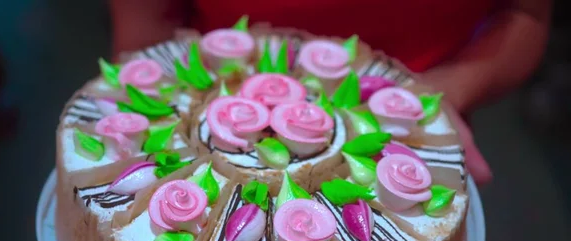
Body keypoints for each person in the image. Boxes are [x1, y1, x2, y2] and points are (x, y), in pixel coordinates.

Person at [108, 0, 552, 186]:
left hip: (406, 122)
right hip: (215, 100)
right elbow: (147, 22)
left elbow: (526, 12)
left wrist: (447, 90)